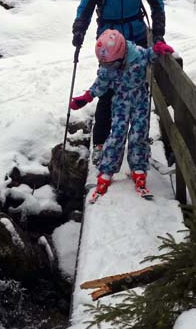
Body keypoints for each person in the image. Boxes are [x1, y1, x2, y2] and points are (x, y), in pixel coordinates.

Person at [72, 0, 168, 167]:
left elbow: (156, 2)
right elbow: (85, 8)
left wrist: (158, 36)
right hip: (109, 41)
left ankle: (139, 143)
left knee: (139, 90)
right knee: (107, 90)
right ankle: (101, 144)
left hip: (135, 36)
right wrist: (78, 33)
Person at [69, 30, 173, 201]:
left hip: (140, 103)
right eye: (105, 65)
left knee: (138, 135)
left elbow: (150, 54)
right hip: (120, 104)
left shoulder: (138, 55)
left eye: (111, 65)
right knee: (117, 135)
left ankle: (138, 168)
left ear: (122, 55)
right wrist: (87, 97)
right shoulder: (108, 65)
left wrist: (158, 48)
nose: (108, 69)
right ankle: (108, 168)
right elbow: (101, 83)